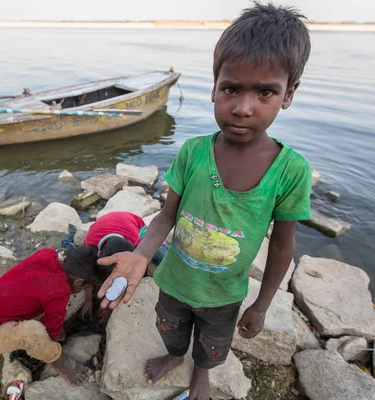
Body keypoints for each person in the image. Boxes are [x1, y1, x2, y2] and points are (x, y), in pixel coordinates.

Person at [96, 4, 312, 400]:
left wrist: (262, 305)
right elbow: (166, 216)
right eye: (231, 88)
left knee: (214, 343)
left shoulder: (290, 170)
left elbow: (283, 245)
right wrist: (142, 254)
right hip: (174, 282)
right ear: (214, 86)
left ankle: (202, 374)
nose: (243, 106)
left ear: (288, 94)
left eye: (265, 92)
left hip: (225, 294)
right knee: (171, 328)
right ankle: (176, 357)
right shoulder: (194, 152)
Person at [0, 247, 101, 385]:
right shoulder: (59, 290)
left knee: (50, 320)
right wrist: (51, 342)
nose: (82, 290)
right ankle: (63, 364)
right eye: (84, 288)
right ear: (78, 281)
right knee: (34, 332)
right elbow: (52, 327)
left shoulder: (48, 254)